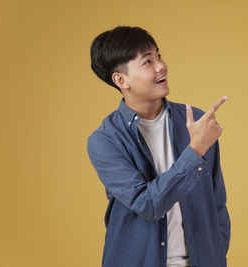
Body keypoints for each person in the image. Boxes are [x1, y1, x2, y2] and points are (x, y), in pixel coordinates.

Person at [87, 25, 231, 267]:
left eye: (158, 55)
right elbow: (148, 204)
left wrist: (216, 254)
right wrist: (194, 151)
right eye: (147, 61)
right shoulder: (105, 140)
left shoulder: (196, 121)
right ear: (121, 80)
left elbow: (217, 202)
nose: (161, 65)